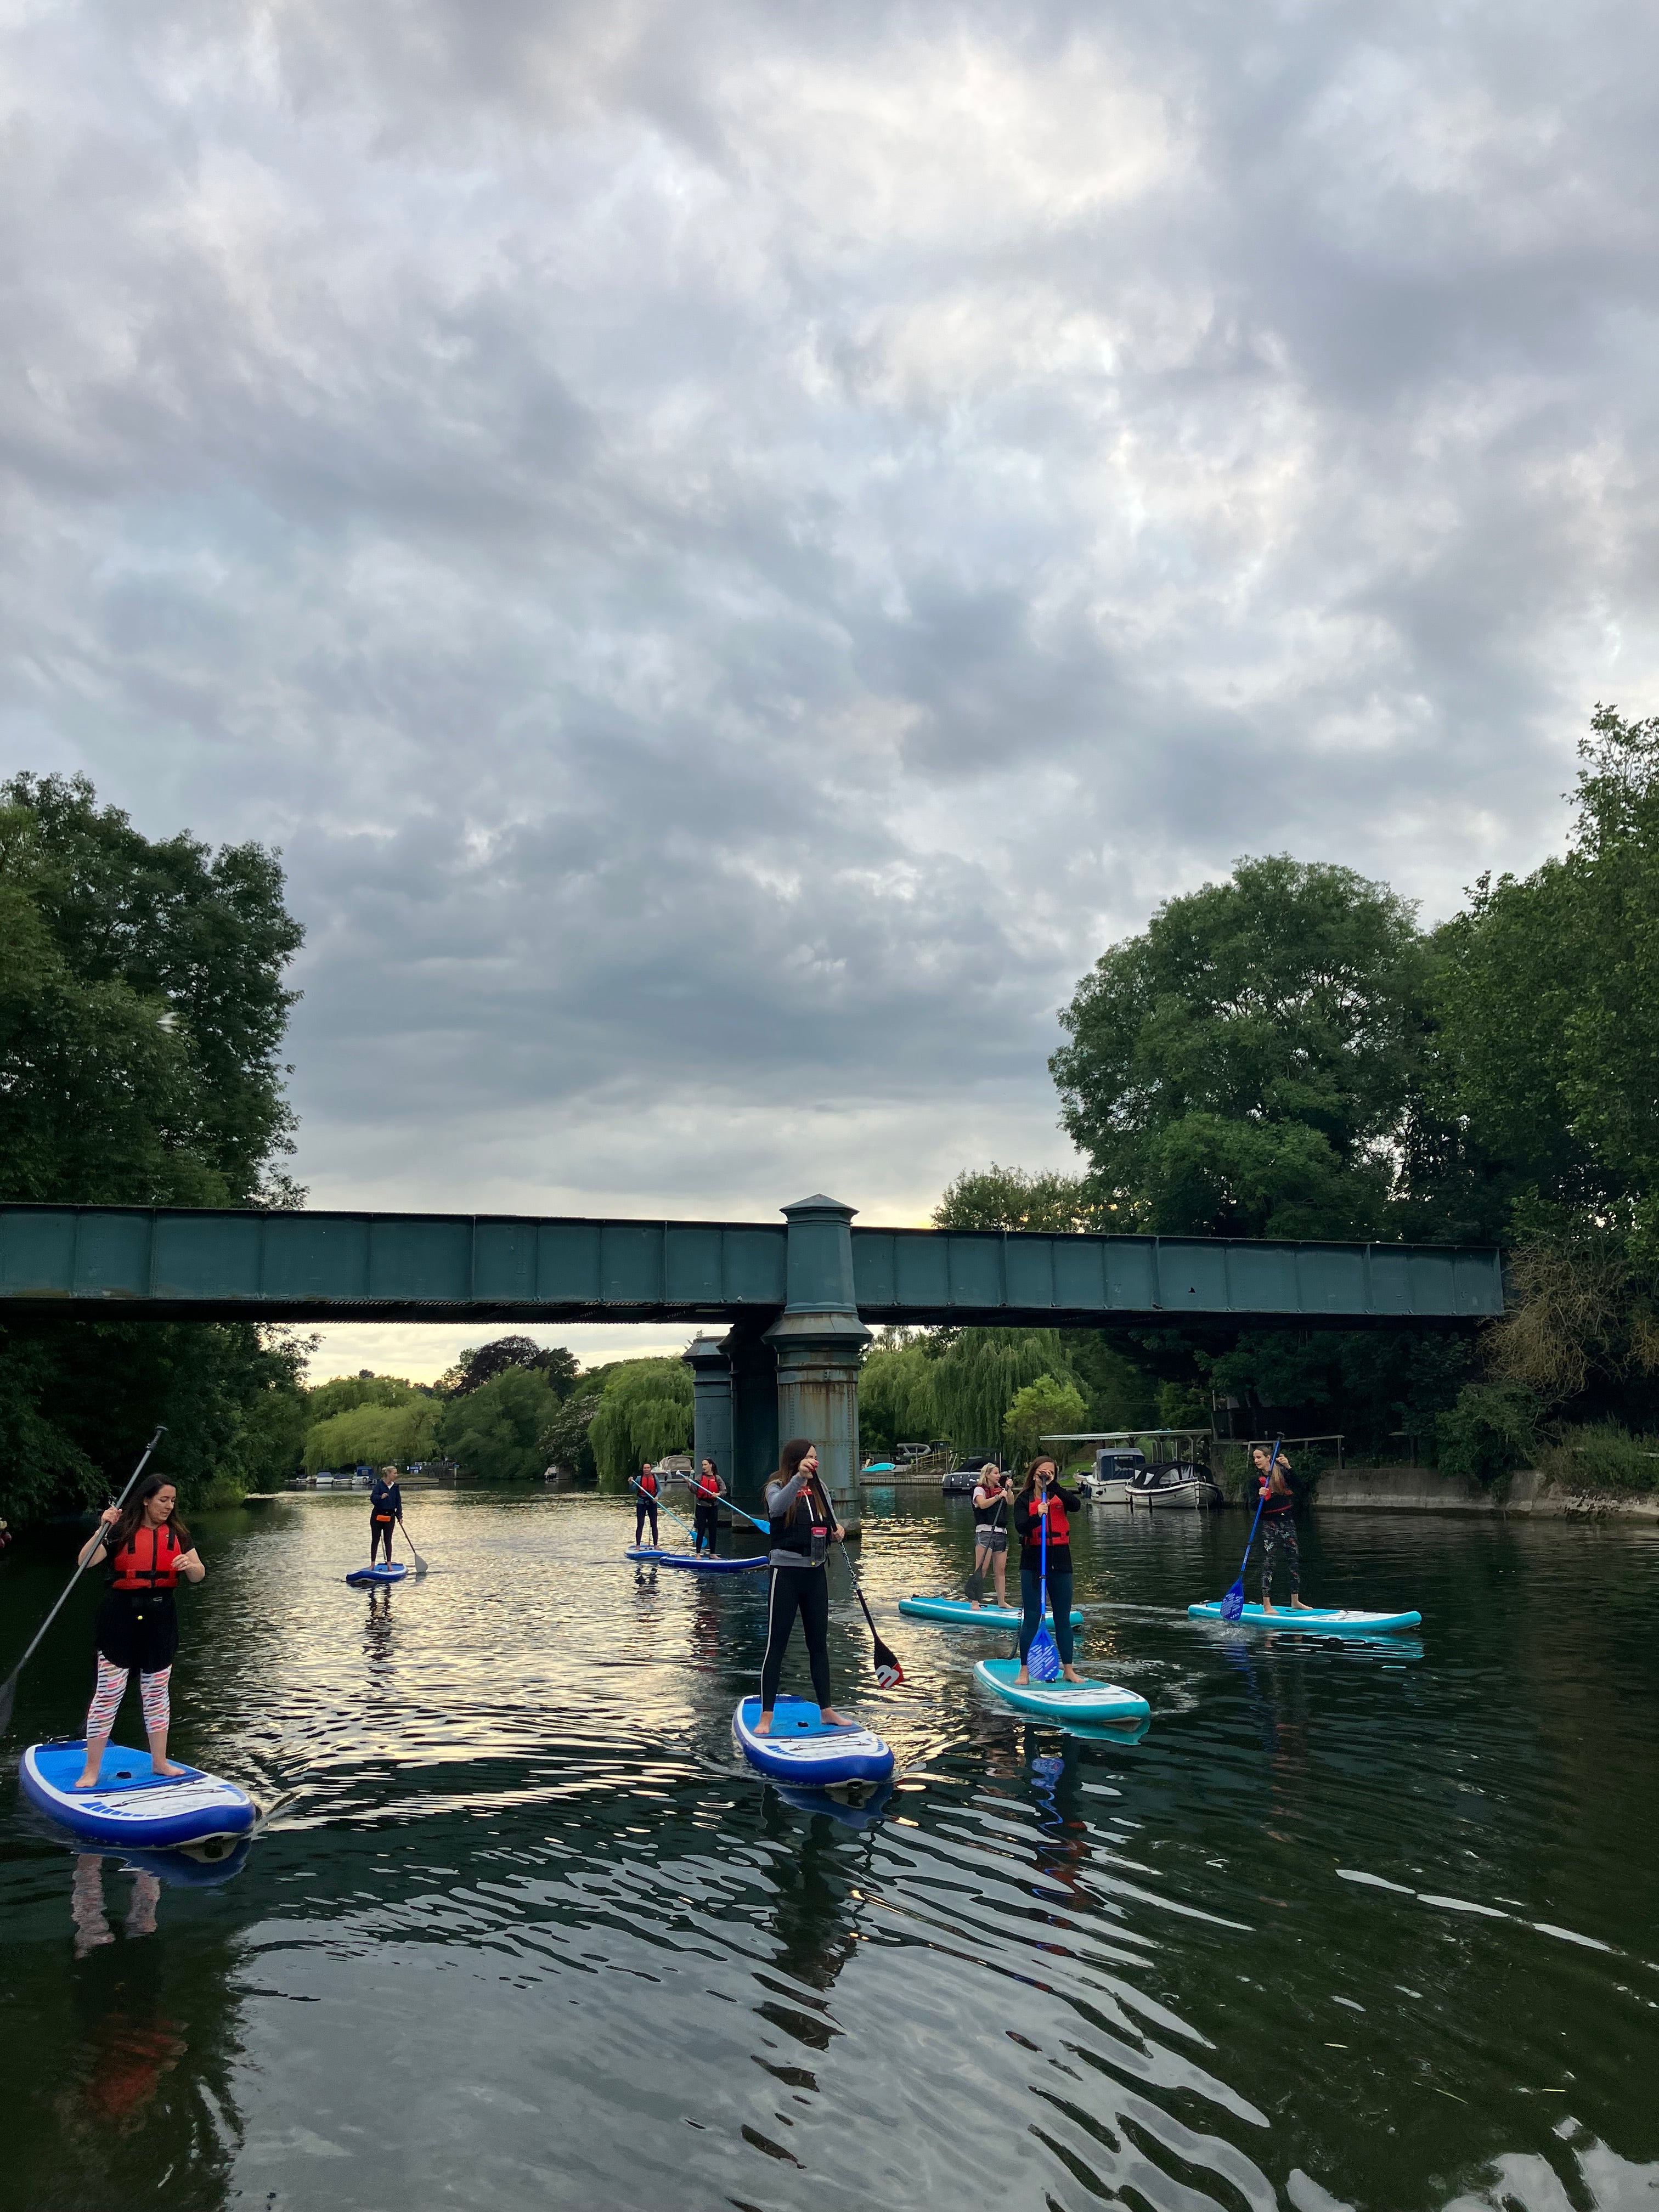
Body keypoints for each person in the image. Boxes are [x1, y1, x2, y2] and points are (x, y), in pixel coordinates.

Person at [74, 1475, 206, 1788]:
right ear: (146, 1499)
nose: (169, 1506)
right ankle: (91, 1770)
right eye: (163, 1500)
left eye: (173, 1501)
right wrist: (101, 1528)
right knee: (108, 1693)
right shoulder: (119, 1531)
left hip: (161, 1617)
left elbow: (199, 1576)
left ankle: (159, 1763)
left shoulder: (179, 1534)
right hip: (120, 1615)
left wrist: (190, 1566)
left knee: (157, 1692)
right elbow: (85, 1562)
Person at [757, 1438, 846, 1735]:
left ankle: (828, 1710)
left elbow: (831, 1522)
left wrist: (838, 1530)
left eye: (816, 1458)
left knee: (818, 1645)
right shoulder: (776, 1486)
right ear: (795, 1460)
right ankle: (766, 1716)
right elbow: (777, 1510)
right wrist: (798, 1479)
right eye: (809, 1457)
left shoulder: (821, 1490)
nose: (814, 1462)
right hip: (786, 1572)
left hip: (815, 1573)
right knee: (777, 1646)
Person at [1013, 1456, 1083, 1686]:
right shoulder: (1024, 1499)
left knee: (1063, 1618)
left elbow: (1076, 1505)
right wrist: (1037, 1516)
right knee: (1032, 1617)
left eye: (1050, 1473)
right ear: (1033, 1473)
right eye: (1041, 1472)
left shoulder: (1059, 1494)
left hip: (1061, 1561)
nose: (1045, 1475)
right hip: (1033, 1561)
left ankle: (1069, 1670)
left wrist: (1053, 1487)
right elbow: (1021, 1526)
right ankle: (1024, 1671)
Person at [1255, 1443, 1307, 1611]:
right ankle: (1267, 1605)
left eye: (1259, 1457)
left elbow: (1301, 1486)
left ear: (1268, 1457)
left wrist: (1289, 1467)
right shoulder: (1256, 1481)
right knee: (1269, 1562)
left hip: (1287, 1522)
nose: (1256, 1461)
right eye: (1254, 1458)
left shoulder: (1282, 1472)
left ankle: (1295, 1601)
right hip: (1269, 1524)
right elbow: (1252, 1507)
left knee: (1294, 1559)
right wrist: (1259, 1497)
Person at [970, 1462, 1012, 1607]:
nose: (999, 1476)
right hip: (985, 1533)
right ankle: (975, 1602)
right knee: (982, 1568)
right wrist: (998, 1497)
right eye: (996, 1473)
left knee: (1000, 1570)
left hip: (1001, 1533)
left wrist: (1008, 1490)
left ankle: (1002, 1601)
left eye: (999, 1473)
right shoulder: (979, 1490)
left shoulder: (1001, 1489)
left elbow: (1011, 1502)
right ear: (987, 1475)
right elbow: (982, 1505)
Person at [689, 1457, 726, 1554]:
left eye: (705, 1465)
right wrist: (689, 1483)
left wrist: (718, 1494)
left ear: (711, 1465)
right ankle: (698, 1554)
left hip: (713, 1507)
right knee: (701, 1530)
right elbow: (694, 1490)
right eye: (702, 1465)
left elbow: (724, 1491)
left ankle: (713, 1554)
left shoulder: (717, 1478)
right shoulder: (699, 1478)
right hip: (701, 1506)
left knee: (713, 1530)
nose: (703, 1467)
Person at [369, 1465, 402, 1565]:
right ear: (388, 1474)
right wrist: (381, 1497)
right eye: (394, 1473)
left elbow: (398, 1503)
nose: (396, 1475)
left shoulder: (395, 1487)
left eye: (396, 1473)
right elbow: (373, 1499)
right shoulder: (379, 1486)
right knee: (376, 1539)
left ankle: (389, 1564)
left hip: (390, 1517)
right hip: (377, 1516)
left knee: (388, 1540)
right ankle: (373, 1564)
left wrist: (399, 1516)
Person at [634, 1462, 660, 1548]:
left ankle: (656, 1545)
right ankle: (638, 1545)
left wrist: (657, 1497)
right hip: (641, 1503)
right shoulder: (639, 1479)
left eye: (648, 1468)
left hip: (652, 1503)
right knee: (640, 1524)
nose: (646, 1470)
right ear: (643, 1469)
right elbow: (632, 1489)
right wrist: (631, 1483)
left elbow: (660, 1491)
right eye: (645, 1468)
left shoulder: (655, 1478)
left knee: (654, 1524)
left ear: (651, 1469)